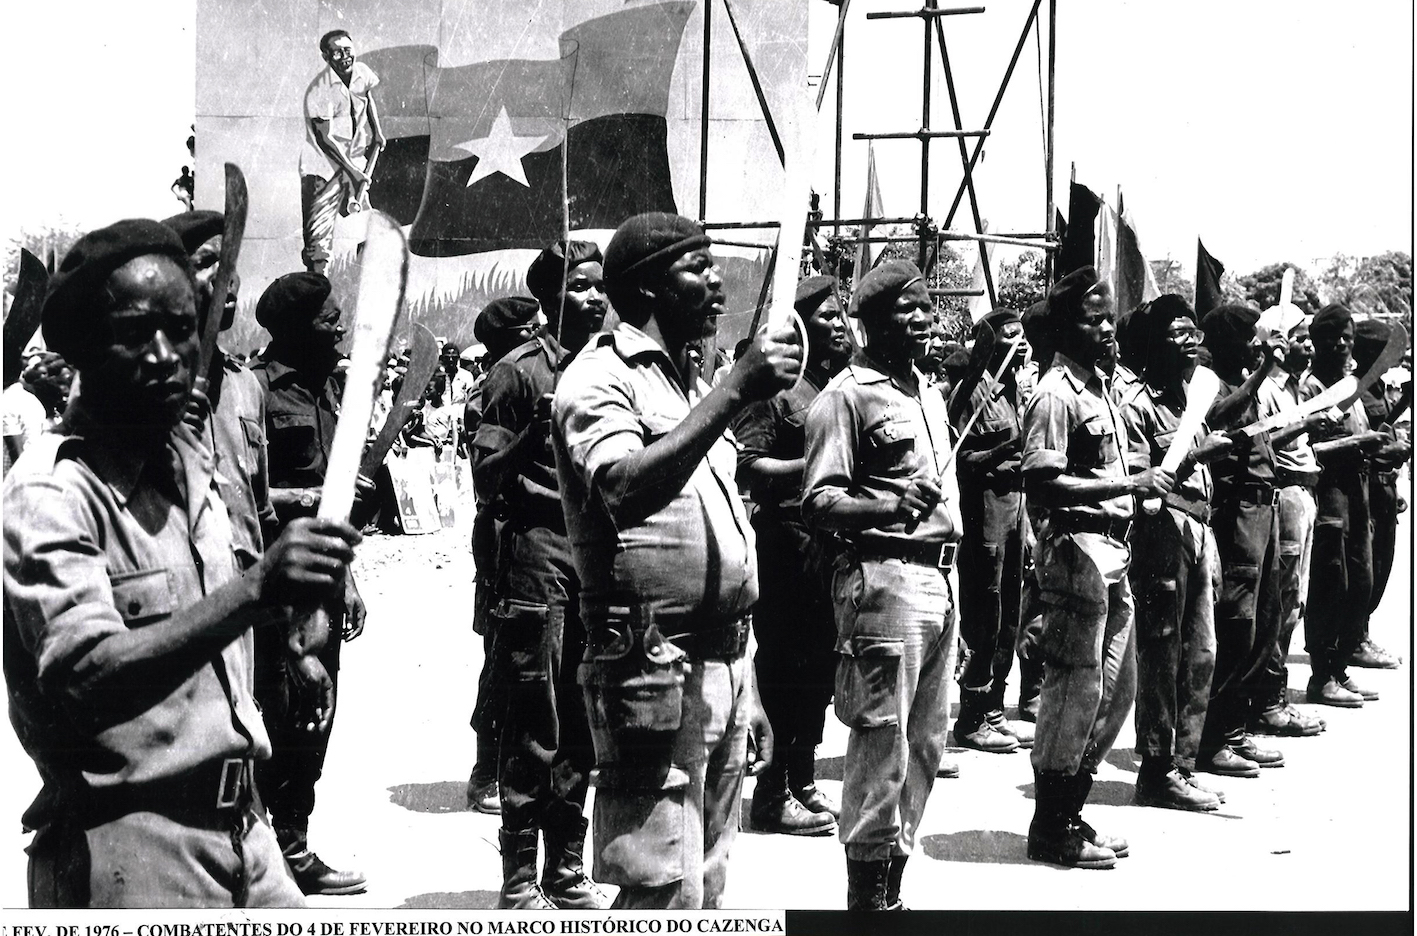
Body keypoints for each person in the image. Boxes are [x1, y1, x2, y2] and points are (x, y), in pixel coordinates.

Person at [4, 219, 360, 907]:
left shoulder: (188, 464)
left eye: (180, 328)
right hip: (130, 848)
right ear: (83, 348)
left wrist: (292, 634)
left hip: (247, 833)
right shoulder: (51, 493)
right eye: (137, 334)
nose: (166, 355)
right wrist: (258, 590)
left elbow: (216, 600)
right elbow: (87, 678)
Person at [552, 212, 796, 909]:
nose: (718, 283)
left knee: (709, 880)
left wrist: (744, 684)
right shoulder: (599, 377)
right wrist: (733, 391)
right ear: (647, 289)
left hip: (723, 661)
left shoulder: (691, 382)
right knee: (660, 888)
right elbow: (620, 488)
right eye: (697, 268)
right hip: (653, 665)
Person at [801, 260, 963, 909]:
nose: (923, 319)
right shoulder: (845, 397)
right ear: (871, 321)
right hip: (884, 579)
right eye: (907, 308)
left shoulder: (928, 394)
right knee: (881, 742)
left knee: (926, 743)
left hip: (940, 578)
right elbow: (818, 502)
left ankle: (891, 887)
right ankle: (865, 900)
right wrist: (890, 505)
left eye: (927, 306)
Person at [471, 241, 610, 909]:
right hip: (540, 552)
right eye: (580, 286)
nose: (595, 298)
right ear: (551, 295)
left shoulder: (611, 367)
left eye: (600, 286)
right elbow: (485, 477)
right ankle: (519, 877)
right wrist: (534, 430)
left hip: (598, 556)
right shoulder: (517, 373)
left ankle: (566, 867)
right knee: (535, 715)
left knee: (583, 717)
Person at [1020, 266, 1173, 869]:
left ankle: (1071, 810)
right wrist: (1129, 484)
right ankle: (1050, 825)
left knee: (1114, 690)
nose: (1107, 328)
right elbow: (1042, 482)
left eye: (1110, 318)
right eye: (1093, 320)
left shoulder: (1101, 386)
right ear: (1066, 328)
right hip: (1076, 552)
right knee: (1073, 691)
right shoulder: (1055, 393)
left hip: (1112, 551)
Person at [249, 272, 371, 895]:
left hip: (323, 582)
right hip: (272, 584)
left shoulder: (333, 388)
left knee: (316, 717)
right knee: (274, 716)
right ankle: (264, 854)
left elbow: (339, 505)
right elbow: (240, 492)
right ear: (297, 328)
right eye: (329, 319)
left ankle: (293, 844)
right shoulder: (256, 391)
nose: (341, 327)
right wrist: (304, 497)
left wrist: (347, 578)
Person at [732, 275, 851, 837]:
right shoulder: (775, 392)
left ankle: (802, 777)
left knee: (820, 667)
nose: (840, 325)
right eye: (827, 316)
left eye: (842, 314)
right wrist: (816, 470)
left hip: (828, 546)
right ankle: (771, 791)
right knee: (785, 667)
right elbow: (748, 467)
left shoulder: (835, 388)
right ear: (801, 327)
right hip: (784, 543)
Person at [1117, 296, 1232, 810]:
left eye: (1193, 332)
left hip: (1198, 529)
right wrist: (1194, 456)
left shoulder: (1192, 397)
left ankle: (1182, 764)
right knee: (1163, 654)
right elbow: (1141, 487)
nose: (1190, 342)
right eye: (1177, 334)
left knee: (1201, 651)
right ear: (1153, 344)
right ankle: (1156, 768)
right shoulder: (1138, 406)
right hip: (1162, 533)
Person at [1193, 304, 1289, 777]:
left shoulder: (1241, 380)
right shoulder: (1211, 381)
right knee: (1236, 624)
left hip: (1264, 510)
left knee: (1264, 620)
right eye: (1249, 337)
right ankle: (1216, 739)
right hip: (1237, 515)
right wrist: (1263, 371)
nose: (1257, 344)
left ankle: (1236, 727)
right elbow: (1216, 417)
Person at [465, 295, 543, 815]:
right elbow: (488, 475)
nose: (540, 336)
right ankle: (485, 771)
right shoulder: (496, 386)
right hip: (503, 535)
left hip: (526, 535)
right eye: (530, 330)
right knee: (502, 659)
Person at [948, 308, 1033, 754]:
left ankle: (994, 710)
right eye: (1010, 336)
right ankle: (972, 715)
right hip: (986, 513)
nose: (1020, 344)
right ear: (989, 342)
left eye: (1023, 336)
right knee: (985, 613)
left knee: (1010, 614)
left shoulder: (1015, 389)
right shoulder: (971, 392)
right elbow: (960, 461)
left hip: (1016, 511)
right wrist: (1009, 448)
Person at [1300, 304, 1386, 706]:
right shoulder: (1310, 389)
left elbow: (1364, 437)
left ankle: (1339, 668)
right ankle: (1321, 675)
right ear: (1316, 342)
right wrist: (1357, 444)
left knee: (1360, 582)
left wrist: (1383, 448)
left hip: (1358, 496)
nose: (1340, 345)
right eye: (1331, 338)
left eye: (1346, 338)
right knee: (1331, 583)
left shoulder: (1352, 386)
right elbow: (1306, 448)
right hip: (1329, 497)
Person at [1250, 319, 1328, 736]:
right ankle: (1267, 702)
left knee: (1297, 599)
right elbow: (1263, 444)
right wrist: (1304, 425)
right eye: (1299, 339)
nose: (1308, 346)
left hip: (1305, 494)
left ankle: (1274, 698)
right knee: (1282, 602)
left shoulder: (1295, 388)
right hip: (1286, 494)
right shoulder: (1266, 389)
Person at [300, 30, 384, 274]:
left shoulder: (362, 72)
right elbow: (324, 138)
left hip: (354, 159)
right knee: (319, 239)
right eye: (337, 53)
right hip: (322, 168)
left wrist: (377, 131)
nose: (345, 57)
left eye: (348, 50)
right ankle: (317, 285)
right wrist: (352, 172)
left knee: (365, 225)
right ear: (326, 57)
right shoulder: (319, 90)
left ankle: (363, 279)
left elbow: (367, 97)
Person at [1351, 318, 1409, 668]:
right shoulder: (1355, 389)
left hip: (1384, 488)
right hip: (1368, 489)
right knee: (1364, 569)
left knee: (1381, 565)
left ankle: (1362, 632)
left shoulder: (1376, 389)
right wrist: (1390, 453)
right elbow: (1363, 443)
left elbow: (1382, 428)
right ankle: (1354, 638)